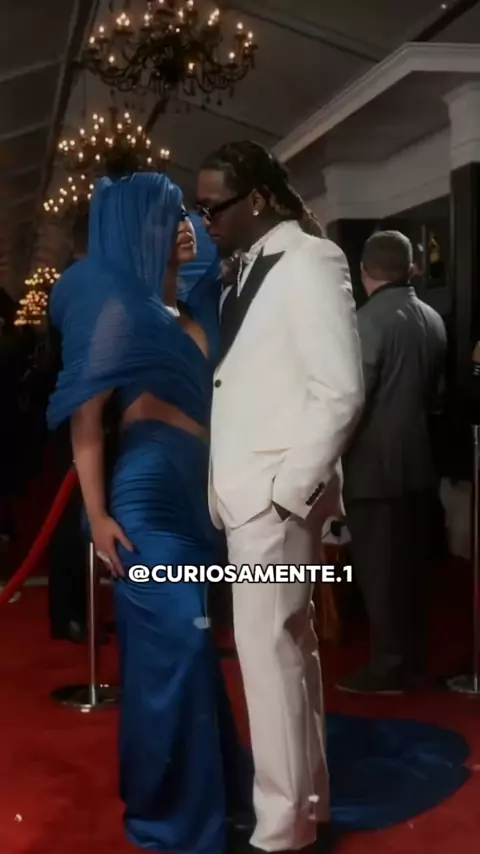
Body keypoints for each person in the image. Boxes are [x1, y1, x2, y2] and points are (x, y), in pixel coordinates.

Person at [46, 173, 246, 854]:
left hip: (200, 501)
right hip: (144, 500)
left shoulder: (200, 307)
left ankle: (214, 797)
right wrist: (97, 515)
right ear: (140, 230)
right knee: (180, 648)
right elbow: (87, 425)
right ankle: (168, 816)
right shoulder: (116, 312)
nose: (186, 223)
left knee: (193, 654)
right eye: (170, 215)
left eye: (186, 213)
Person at [196, 141, 365, 854]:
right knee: (289, 653)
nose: (206, 221)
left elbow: (340, 390)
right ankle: (305, 808)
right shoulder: (245, 268)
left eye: (215, 208)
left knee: (270, 660)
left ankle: (278, 832)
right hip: (252, 494)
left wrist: (286, 493)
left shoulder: (311, 260)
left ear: (258, 198)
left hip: (273, 499)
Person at [339, 230, 447, 694]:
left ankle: (387, 668)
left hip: (374, 469)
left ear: (364, 271)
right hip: (421, 462)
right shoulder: (433, 318)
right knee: (411, 572)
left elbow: (351, 401)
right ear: (410, 268)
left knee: (380, 575)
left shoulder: (367, 321)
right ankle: (412, 660)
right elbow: (436, 398)